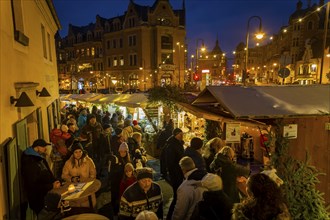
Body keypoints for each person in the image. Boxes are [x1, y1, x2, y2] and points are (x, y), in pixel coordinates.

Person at [21, 139, 61, 214]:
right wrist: (51, 186)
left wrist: (54, 181)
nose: (45, 149)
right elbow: (32, 184)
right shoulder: (30, 161)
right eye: (43, 147)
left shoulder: (38, 157)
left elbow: (46, 172)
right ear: (37, 147)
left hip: (45, 195)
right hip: (39, 198)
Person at [61, 142, 97, 207]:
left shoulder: (88, 161)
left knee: (87, 209)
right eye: (76, 152)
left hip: (86, 189)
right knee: (76, 209)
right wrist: (71, 179)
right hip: (74, 190)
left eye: (80, 151)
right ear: (73, 153)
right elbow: (64, 175)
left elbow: (93, 174)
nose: (78, 154)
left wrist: (87, 183)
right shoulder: (68, 163)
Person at [164, 128, 184, 219]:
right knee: (176, 192)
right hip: (175, 171)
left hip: (177, 170)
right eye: (180, 134)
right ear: (176, 134)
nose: (182, 136)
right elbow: (170, 160)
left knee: (177, 192)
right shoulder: (172, 145)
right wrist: (172, 170)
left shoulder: (176, 143)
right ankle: (171, 214)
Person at [110, 142, 131, 216]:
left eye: (124, 151)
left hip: (124, 182)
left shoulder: (128, 159)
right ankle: (115, 212)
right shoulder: (115, 159)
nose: (122, 153)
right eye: (121, 151)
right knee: (116, 197)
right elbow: (111, 171)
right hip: (116, 182)